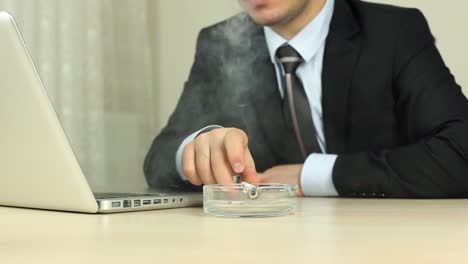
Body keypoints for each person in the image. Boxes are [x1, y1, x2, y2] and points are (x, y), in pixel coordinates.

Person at [144, 0, 468, 198]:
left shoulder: (393, 31)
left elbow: (460, 152)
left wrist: (312, 176)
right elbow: (159, 159)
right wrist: (198, 148)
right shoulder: (218, 43)